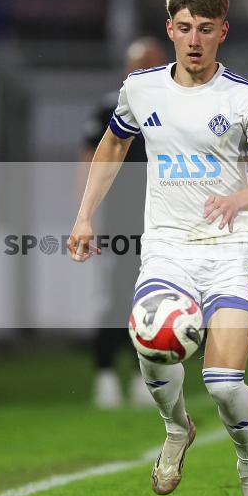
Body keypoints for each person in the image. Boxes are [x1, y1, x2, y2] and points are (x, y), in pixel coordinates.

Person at [68, 0, 248, 496]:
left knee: (223, 383)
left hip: (232, 250)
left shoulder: (247, 99)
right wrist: (84, 215)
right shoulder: (140, 89)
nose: (194, 40)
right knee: (152, 345)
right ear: (170, 28)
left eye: (206, 30)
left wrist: (239, 199)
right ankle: (176, 427)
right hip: (167, 248)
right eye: (185, 28)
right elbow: (113, 144)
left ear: (223, 32)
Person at [82, 37, 166, 409]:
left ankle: (144, 375)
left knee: (155, 296)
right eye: (141, 64)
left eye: (154, 63)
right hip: (121, 214)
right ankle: (105, 374)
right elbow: (90, 160)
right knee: (119, 296)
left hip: (163, 214)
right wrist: (85, 215)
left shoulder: (175, 106)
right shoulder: (110, 107)